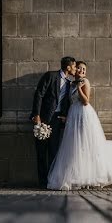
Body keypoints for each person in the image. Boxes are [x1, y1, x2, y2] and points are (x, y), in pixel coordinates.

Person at [47, 61, 112, 190]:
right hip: (73, 115)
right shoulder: (70, 84)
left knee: (86, 143)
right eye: (79, 68)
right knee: (74, 145)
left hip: (84, 114)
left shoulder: (85, 82)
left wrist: (79, 87)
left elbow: (85, 101)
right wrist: (66, 116)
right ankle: (76, 176)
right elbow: (69, 102)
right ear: (75, 70)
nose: (82, 70)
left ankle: (90, 176)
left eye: (84, 69)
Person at [31, 56, 78, 189]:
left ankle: (51, 181)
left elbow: (68, 102)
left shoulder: (69, 84)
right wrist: (37, 115)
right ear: (68, 67)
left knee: (53, 151)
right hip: (43, 119)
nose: (75, 69)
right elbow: (39, 94)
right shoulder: (50, 76)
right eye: (74, 66)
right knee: (41, 152)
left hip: (57, 121)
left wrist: (65, 116)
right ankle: (42, 183)